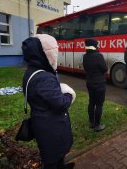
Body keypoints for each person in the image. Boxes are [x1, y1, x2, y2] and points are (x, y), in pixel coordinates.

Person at [22, 34, 76, 169]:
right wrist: (69, 94)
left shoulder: (33, 70)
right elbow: (60, 104)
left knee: (56, 154)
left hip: (44, 122)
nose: (55, 56)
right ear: (41, 53)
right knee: (52, 158)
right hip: (51, 127)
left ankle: (61, 165)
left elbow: (46, 95)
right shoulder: (43, 77)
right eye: (53, 52)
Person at [83, 38, 108, 131]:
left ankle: (91, 123)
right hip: (99, 83)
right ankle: (97, 125)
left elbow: (85, 69)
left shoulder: (85, 56)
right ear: (95, 46)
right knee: (99, 104)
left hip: (89, 82)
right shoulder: (98, 56)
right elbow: (104, 69)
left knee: (91, 102)